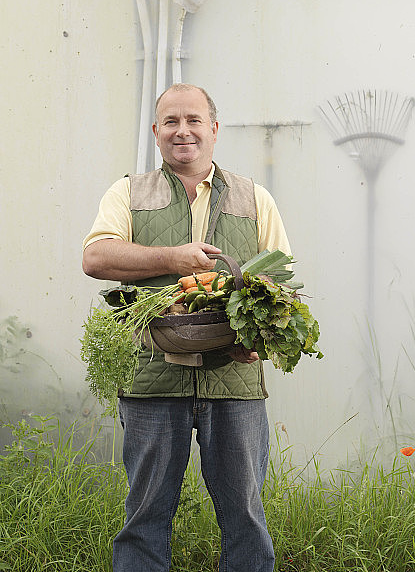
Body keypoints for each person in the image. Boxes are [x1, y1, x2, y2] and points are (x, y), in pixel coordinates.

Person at [82, 83, 290, 572]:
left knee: (245, 516)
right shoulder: (129, 192)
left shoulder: (253, 199)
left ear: (214, 130)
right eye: (171, 122)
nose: (184, 132)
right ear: (156, 132)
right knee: (146, 516)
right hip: (151, 380)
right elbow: (95, 256)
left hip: (233, 383)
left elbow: (280, 286)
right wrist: (173, 258)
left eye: (194, 120)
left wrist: (255, 343)